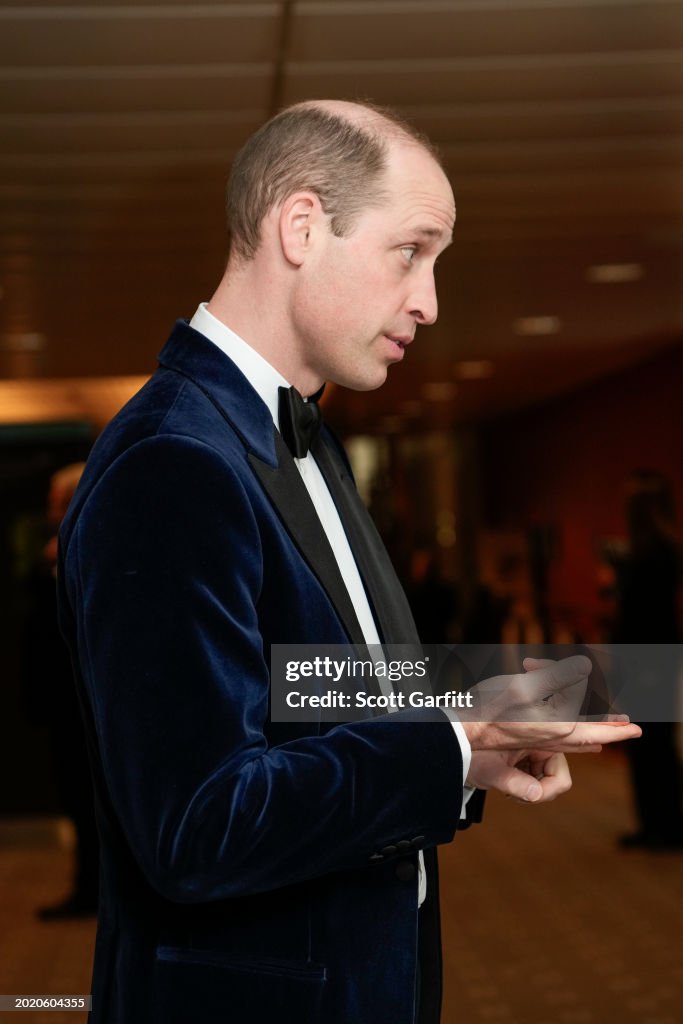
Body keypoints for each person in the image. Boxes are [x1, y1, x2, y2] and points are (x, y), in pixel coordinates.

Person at [57, 100, 640, 1024]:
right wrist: (447, 738)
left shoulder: (300, 436)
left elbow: (308, 698)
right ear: (300, 226)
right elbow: (198, 827)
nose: (430, 300)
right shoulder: (172, 460)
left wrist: (470, 755)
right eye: (411, 251)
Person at [21, 463, 99, 919]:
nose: (50, 509)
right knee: (74, 800)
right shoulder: (56, 549)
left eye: (56, 500)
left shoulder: (91, 543)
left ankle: (91, 891)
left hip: (80, 702)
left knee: (86, 801)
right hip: (57, 700)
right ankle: (86, 886)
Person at [610, 469, 683, 849]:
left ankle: (663, 826)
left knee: (650, 747)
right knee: (652, 747)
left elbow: (643, 617)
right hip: (654, 661)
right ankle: (658, 823)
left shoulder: (652, 553)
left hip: (648, 664)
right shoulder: (659, 550)